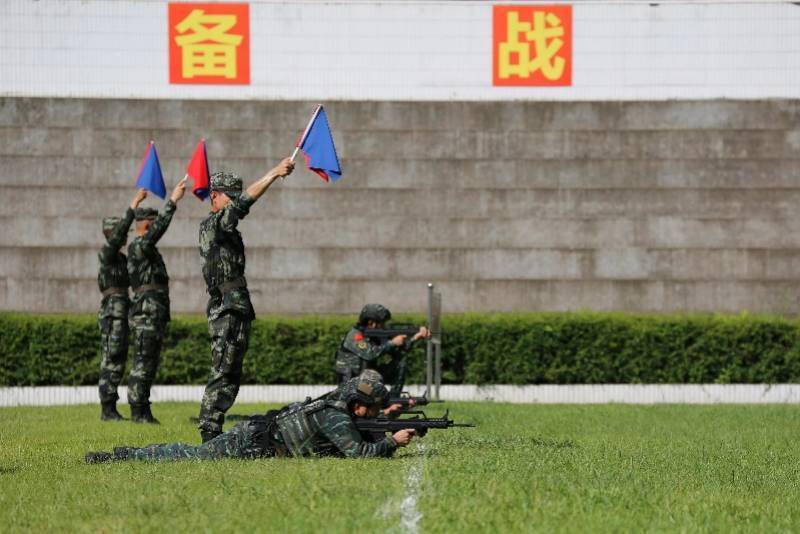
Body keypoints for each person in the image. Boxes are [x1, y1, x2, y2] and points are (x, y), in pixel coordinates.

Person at [85, 375, 417, 463]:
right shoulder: (337, 418)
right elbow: (359, 454)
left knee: (193, 453)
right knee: (191, 455)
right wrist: (392, 441)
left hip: (260, 434)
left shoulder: (338, 404)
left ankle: (128, 453)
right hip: (251, 441)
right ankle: (124, 455)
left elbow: (358, 431)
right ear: (358, 406)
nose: (375, 412)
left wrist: (385, 420)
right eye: (374, 408)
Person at [196, 159, 295, 443]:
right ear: (215, 195)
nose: (235, 202)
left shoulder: (226, 228)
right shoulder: (214, 224)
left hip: (236, 305)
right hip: (226, 306)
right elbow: (242, 206)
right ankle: (210, 431)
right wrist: (273, 174)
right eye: (231, 196)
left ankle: (214, 427)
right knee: (223, 367)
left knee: (231, 369)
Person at [126, 177, 187, 424]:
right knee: (143, 360)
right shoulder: (140, 246)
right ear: (145, 226)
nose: (153, 229)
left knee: (149, 361)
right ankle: (138, 409)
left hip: (154, 313)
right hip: (146, 314)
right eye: (151, 224)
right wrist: (173, 200)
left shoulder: (146, 248)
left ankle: (143, 407)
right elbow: (161, 227)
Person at [97, 188, 147, 420]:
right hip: (112, 312)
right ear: (110, 233)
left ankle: (111, 406)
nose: (124, 235)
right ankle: (107, 407)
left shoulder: (122, 258)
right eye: (119, 231)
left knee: (120, 356)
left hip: (123, 309)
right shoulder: (107, 253)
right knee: (112, 356)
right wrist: (134, 204)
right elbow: (118, 238)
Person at [334, 303, 430, 395]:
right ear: (371, 323)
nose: (384, 326)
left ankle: (393, 401)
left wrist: (415, 337)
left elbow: (399, 351)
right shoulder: (355, 336)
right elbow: (369, 354)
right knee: (378, 396)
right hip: (352, 387)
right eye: (382, 323)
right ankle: (385, 405)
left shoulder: (374, 336)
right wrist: (392, 343)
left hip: (366, 381)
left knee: (399, 366)